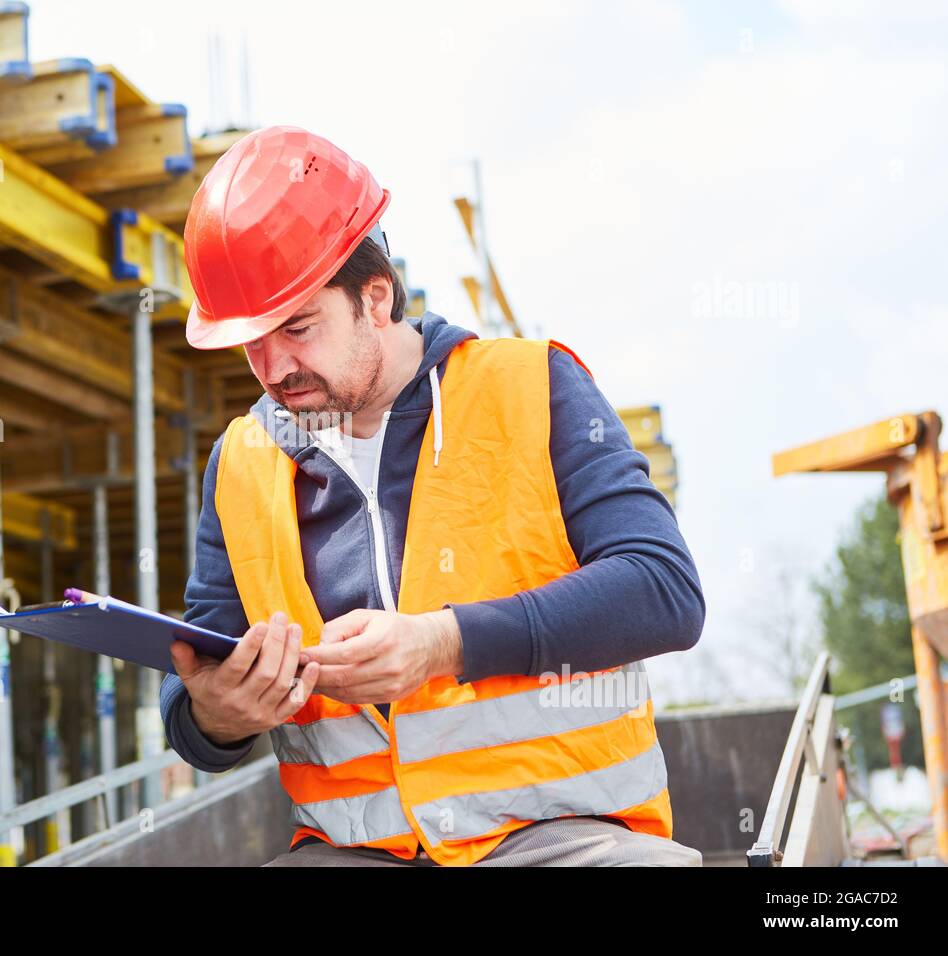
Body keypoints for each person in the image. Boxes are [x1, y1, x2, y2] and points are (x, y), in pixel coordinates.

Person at [160, 125, 705, 867]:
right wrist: (213, 716)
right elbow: (201, 694)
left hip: (558, 837)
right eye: (251, 341)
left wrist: (443, 642)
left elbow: (664, 590)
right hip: (353, 853)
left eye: (297, 326)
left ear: (374, 297)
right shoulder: (240, 465)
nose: (273, 366)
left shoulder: (531, 387)